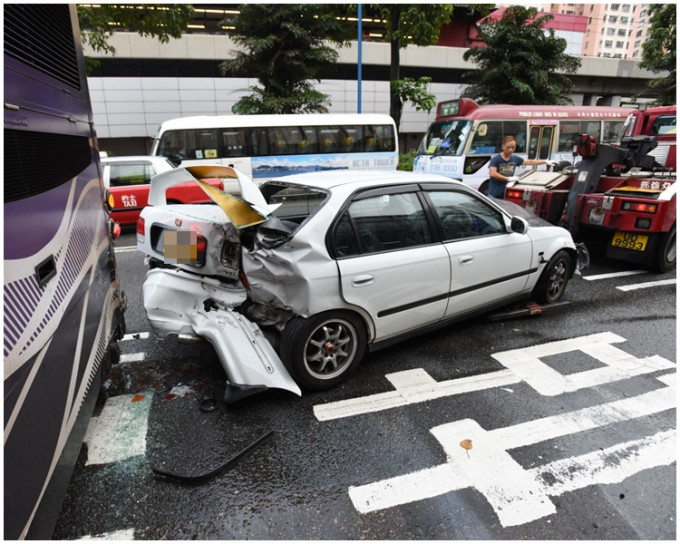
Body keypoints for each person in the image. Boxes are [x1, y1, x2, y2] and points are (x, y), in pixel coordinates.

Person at [487, 135, 557, 198]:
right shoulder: (496, 159)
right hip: (494, 195)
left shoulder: (514, 159)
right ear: (503, 146)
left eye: (513, 147)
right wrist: (508, 178)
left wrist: (545, 161)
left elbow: (530, 161)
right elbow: (493, 174)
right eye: (508, 147)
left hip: (506, 193)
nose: (511, 149)